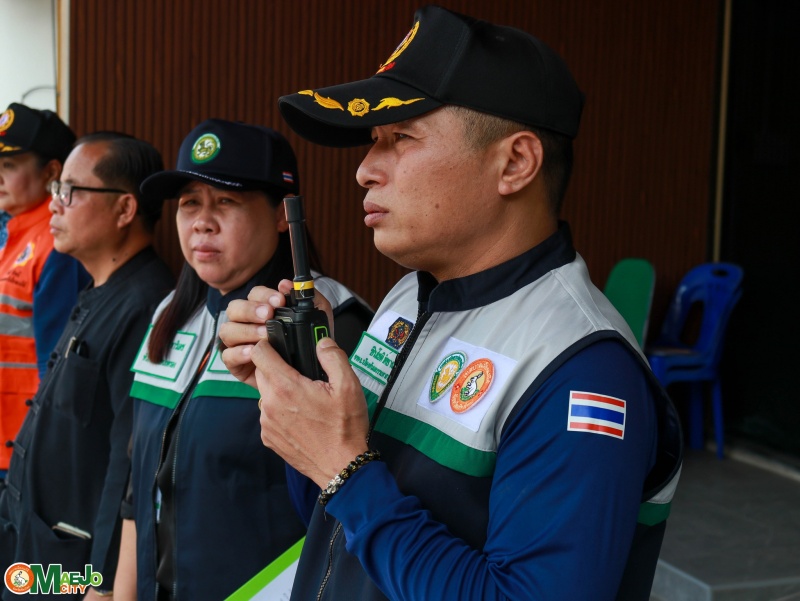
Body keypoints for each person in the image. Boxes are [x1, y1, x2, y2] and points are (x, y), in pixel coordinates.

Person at [219, 6, 683, 601]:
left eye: (401, 138)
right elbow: (336, 525)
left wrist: (345, 469)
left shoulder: (582, 371)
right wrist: (300, 390)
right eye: (372, 142)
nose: (364, 170)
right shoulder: (410, 298)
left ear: (515, 162)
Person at [120, 119, 373, 601]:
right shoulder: (169, 316)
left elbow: (350, 498)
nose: (202, 221)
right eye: (189, 202)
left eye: (226, 201)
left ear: (282, 214)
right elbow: (138, 483)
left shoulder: (333, 323)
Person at [0, 131, 175, 600]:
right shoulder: (100, 289)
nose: (55, 204)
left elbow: (128, 462)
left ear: (125, 209)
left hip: (76, 570)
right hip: (36, 544)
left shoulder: (145, 305)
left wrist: (103, 582)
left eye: (71, 191)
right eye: (57, 189)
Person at [0, 103, 89, 477]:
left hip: (22, 446)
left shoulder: (57, 246)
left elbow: (56, 365)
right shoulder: (10, 232)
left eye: (8, 165)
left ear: (52, 172)